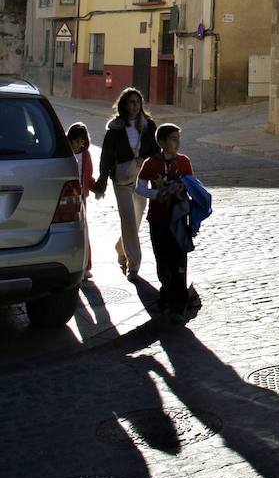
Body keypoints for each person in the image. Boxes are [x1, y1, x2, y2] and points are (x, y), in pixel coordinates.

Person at [93, 87, 159, 281]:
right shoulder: (115, 128)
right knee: (128, 220)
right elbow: (106, 155)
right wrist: (102, 179)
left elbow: (156, 150)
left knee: (136, 221)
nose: (135, 106)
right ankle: (134, 264)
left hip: (141, 179)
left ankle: (120, 247)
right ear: (124, 104)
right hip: (121, 179)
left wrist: (144, 159)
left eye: (138, 102)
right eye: (131, 102)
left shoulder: (149, 126)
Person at [136, 123, 194, 324]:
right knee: (163, 259)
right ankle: (166, 293)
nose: (177, 143)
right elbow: (140, 187)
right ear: (161, 142)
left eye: (178, 139)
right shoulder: (152, 163)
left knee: (179, 260)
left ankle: (179, 304)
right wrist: (156, 194)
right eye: (172, 139)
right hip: (158, 219)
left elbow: (192, 186)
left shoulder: (184, 162)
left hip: (178, 219)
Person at [66, 121, 94, 277]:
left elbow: (88, 176)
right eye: (77, 140)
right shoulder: (65, 154)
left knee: (83, 231)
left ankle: (86, 265)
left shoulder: (85, 155)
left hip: (81, 199)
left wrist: (96, 187)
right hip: (66, 199)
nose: (80, 144)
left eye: (82, 141)